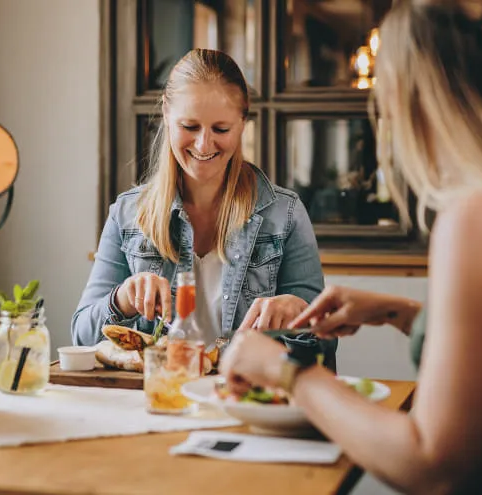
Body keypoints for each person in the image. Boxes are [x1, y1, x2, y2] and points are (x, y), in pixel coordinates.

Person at [219, 1, 482, 493]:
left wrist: (286, 372)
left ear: (415, 96)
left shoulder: (479, 216)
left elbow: (432, 463)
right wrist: (401, 312)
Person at [71, 48, 334, 366]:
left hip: (245, 403)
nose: (203, 145)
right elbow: (81, 339)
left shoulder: (285, 214)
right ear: (166, 114)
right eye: (190, 127)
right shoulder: (127, 215)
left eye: (221, 129)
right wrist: (122, 299)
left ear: (243, 122)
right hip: (156, 403)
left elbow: (324, 351)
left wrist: (299, 316)